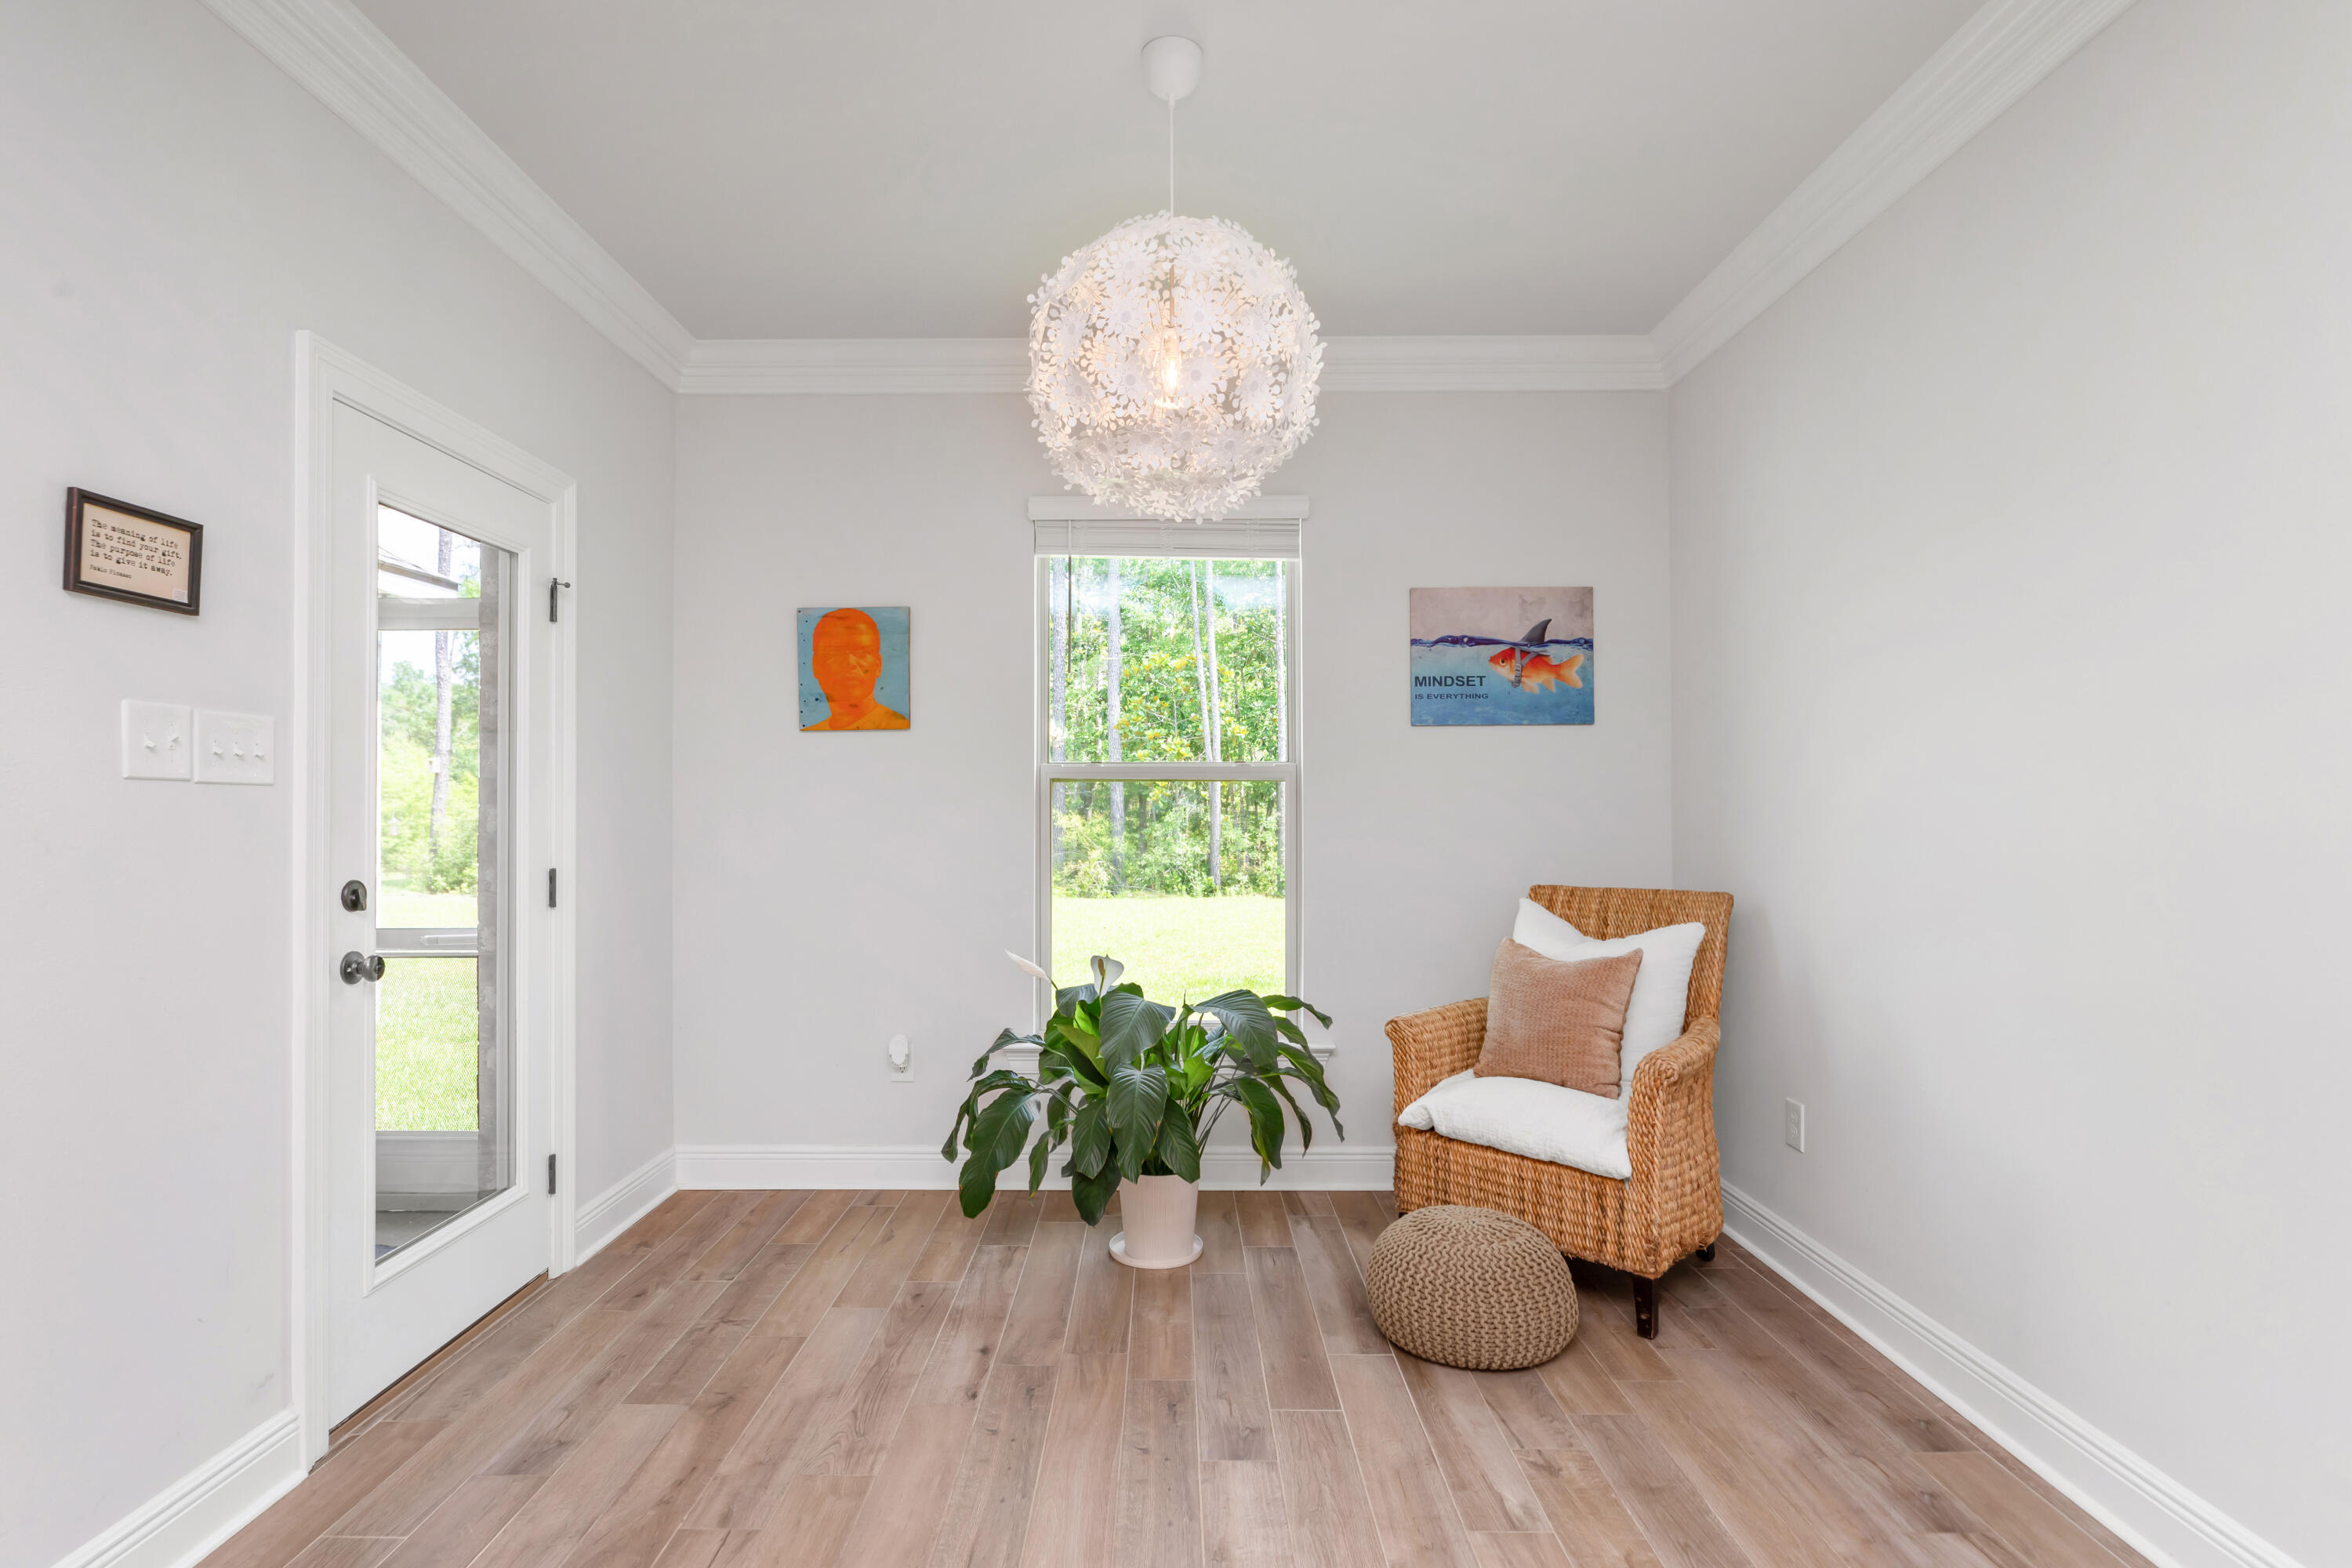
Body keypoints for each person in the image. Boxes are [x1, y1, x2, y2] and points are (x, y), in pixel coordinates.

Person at [801, 607, 908, 730]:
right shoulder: (811, 733)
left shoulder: (898, 727)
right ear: (816, 666)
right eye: (835, 653)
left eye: (861, 653)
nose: (850, 663)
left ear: (878, 665)